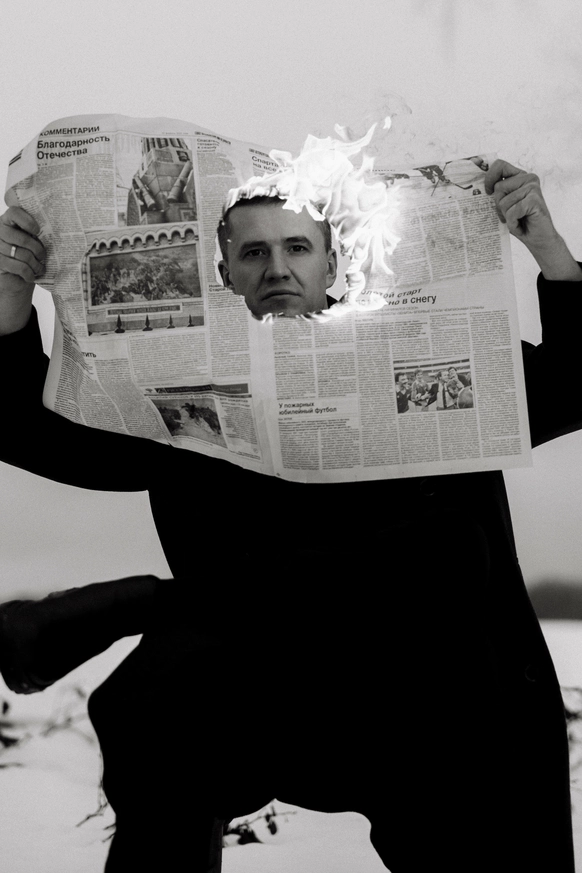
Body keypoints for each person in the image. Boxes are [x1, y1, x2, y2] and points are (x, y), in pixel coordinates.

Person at [0, 159, 581, 872]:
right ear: (224, 273)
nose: (276, 267)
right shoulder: (181, 385)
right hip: (268, 691)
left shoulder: (424, 349)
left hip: (444, 699)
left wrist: (549, 250)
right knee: (153, 711)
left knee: (449, 551)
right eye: (253, 252)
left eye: (296, 247)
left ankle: (151, 605)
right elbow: (34, 434)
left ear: (332, 263)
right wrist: (9, 300)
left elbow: (576, 384)